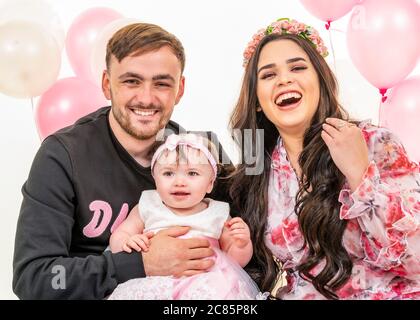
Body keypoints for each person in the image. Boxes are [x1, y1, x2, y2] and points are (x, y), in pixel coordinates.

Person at [13, 23, 233, 299]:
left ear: (180, 89)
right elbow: (35, 279)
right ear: (107, 84)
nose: (146, 97)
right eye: (131, 81)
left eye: (162, 83)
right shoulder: (63, 155)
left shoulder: (201, 154)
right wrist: (140, 264)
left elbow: (250, 243)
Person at [229, 18, 420, 300]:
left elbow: (415, 260)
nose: (284, 79)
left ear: (321, 81)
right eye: (269, 75)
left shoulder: (374, 143)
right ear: (257, 100)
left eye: (298, 67)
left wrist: (359, 174)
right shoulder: (256, 175)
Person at [107, 133, 261, 299]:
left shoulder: (218, 213)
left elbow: (235, 261)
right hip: (156, 277)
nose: (179, 182)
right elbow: (120, 235)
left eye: (192, 173)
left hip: (205, 279)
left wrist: (241, 243)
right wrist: (127, 243)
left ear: (210, 183)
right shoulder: (148, 205)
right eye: (168, 173)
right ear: (155, 179)